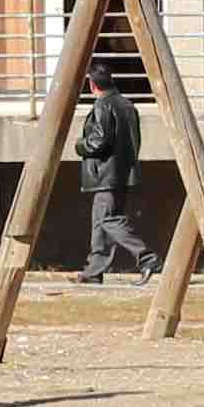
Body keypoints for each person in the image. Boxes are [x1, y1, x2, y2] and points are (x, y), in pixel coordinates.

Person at [72, 64, 157, 285]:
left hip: (105, 175)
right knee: (100, 223)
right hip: (123, 173)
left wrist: (80, 145)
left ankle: (147, 259)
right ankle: (93, 271)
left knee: (108, 220)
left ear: (92, 84)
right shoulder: (128, 105)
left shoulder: (102, 105)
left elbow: (98, 141)